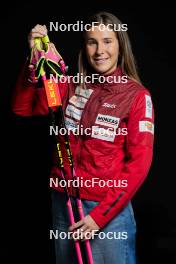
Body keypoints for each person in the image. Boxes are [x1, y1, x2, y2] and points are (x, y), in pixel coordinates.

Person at [12, 11, 154, 264]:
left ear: (121, 46)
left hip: (106, 211)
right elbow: (23, 107)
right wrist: (33, 62)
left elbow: (139, 165)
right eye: (92, 42)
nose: (100, 50)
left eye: (107, 41)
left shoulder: (137, 96)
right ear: (84, 47)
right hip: (64, 203)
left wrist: (99, 217)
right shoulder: (70, 85)